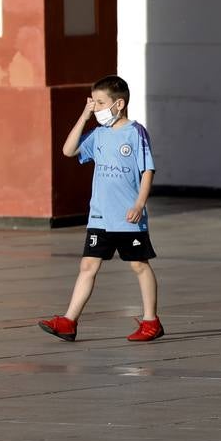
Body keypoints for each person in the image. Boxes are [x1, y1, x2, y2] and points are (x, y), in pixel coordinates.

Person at [38, 76, 163, 342]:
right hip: (99, 216)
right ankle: (68, 321)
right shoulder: (98, 135)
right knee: (88, 265)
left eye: (101, 102)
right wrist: (84, 116)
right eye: (93, 102)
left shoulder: (136, 132)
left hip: (127, 216)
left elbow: (147, 170)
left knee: (139, 265)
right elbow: (68, 150)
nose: (96, 108)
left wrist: (140, 204)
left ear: (119, 104)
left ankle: (151, 321)